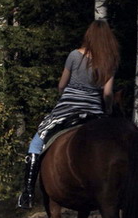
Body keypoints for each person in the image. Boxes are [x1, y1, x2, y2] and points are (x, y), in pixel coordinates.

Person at [17, 19, 119, 208]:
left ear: (88, 36)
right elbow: (107, 93)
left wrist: (65, 97)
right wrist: (109, 109)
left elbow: (61, 85)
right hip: (95, 112)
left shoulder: (73, 55)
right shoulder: (110, 62)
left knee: (36, 143)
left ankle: (27, 194)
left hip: (66, 110)